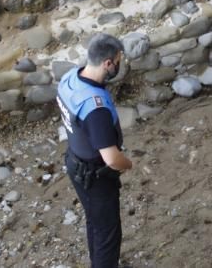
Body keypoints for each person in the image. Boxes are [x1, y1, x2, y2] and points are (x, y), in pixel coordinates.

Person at [56, 35, 132, 268]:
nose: (120, 65)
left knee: (96, 223)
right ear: (108, 63)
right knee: (108, 235)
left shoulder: (70, 79)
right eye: (119, 60)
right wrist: (127, 164)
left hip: (76, 163)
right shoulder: (95, 107)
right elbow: (111, 159)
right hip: (96, 175)